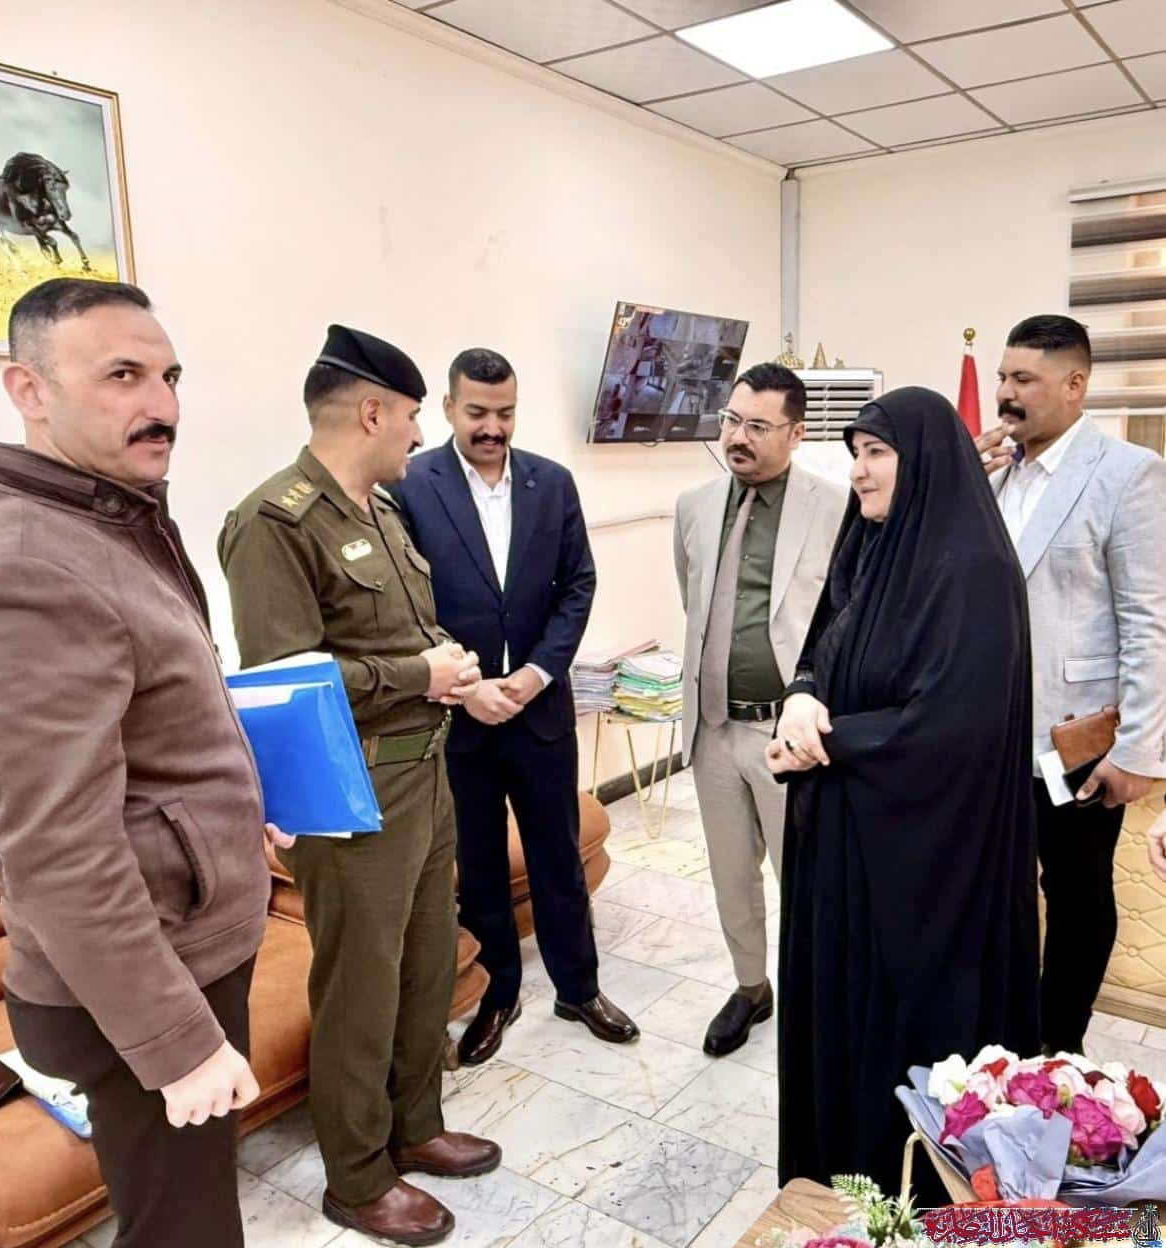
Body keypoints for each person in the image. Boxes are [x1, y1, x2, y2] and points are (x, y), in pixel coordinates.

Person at [0, 278, 277, 1248]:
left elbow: (153, 743)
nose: (161, 405)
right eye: (122, 376)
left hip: (176, 946)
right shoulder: (24, 568)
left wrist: (233, 820)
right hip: (138, 981)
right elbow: (56, 849)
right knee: (184, 1233)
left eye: (169, 376)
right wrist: (176, 1044)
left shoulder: (107, 524)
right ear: (28, 390)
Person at [217, 325, 499, 1247]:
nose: (421, 434)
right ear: (372, 412)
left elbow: (398, 637)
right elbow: (285, 682)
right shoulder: (275, 522)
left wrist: (446, 667)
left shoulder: (379, 510)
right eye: (413, 416)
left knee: (425, 966)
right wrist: (421, 674)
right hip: (351, 794)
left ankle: (416, 1126)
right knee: (360, 988)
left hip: (424, 774)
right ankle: (358, 1174)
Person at [769, 386, 1040, 1194]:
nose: (859, 471)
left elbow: (954, 726)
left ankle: (908, 1203)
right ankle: (836, 1186)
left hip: (924, 863)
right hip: (846, 840)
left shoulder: (975, 570)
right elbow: (821, 640)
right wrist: (802, 696)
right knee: (839, 1022)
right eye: (855, 453)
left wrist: (826, 741)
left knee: (903, 1037)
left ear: (923, 461)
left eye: (877, 453)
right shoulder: (871, 542)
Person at [388, 347, 637, 1066]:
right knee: (478, 862)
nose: (492, 427)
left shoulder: (550, 482)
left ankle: (578, 987)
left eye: (505, 413)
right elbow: (406, 605)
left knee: (558, 853)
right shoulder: (411, 485)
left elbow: (577, 585)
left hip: (539, 709)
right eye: (477, 412)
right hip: (458, 714)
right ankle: (498, 993)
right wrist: (471, 687)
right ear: (448, 408)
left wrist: (533, 674)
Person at [977, 314, 1166, 1056]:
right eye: (1003, 376)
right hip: (989, 737)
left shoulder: (1128, 473)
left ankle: (1057, 1046)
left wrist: (1139, 750)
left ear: (1075, 385)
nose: (1005, 393)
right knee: (996, 888)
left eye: (1023, 379)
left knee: (1078, 892)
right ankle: (1002, 1027)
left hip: (1076, 741)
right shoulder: (995, 476)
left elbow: (1150, 622)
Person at [672, 362, 846, 1057]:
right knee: (730, 875)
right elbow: (694, 602)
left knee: (804, 878)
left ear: (797, 433)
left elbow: (844, 617)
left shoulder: (835, 508)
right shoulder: (693, 505)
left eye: (758, 426)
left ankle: (815, 992)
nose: (738, 437)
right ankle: (751, 987)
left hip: (788, 733)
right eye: (732, 421)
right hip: (713, 728)